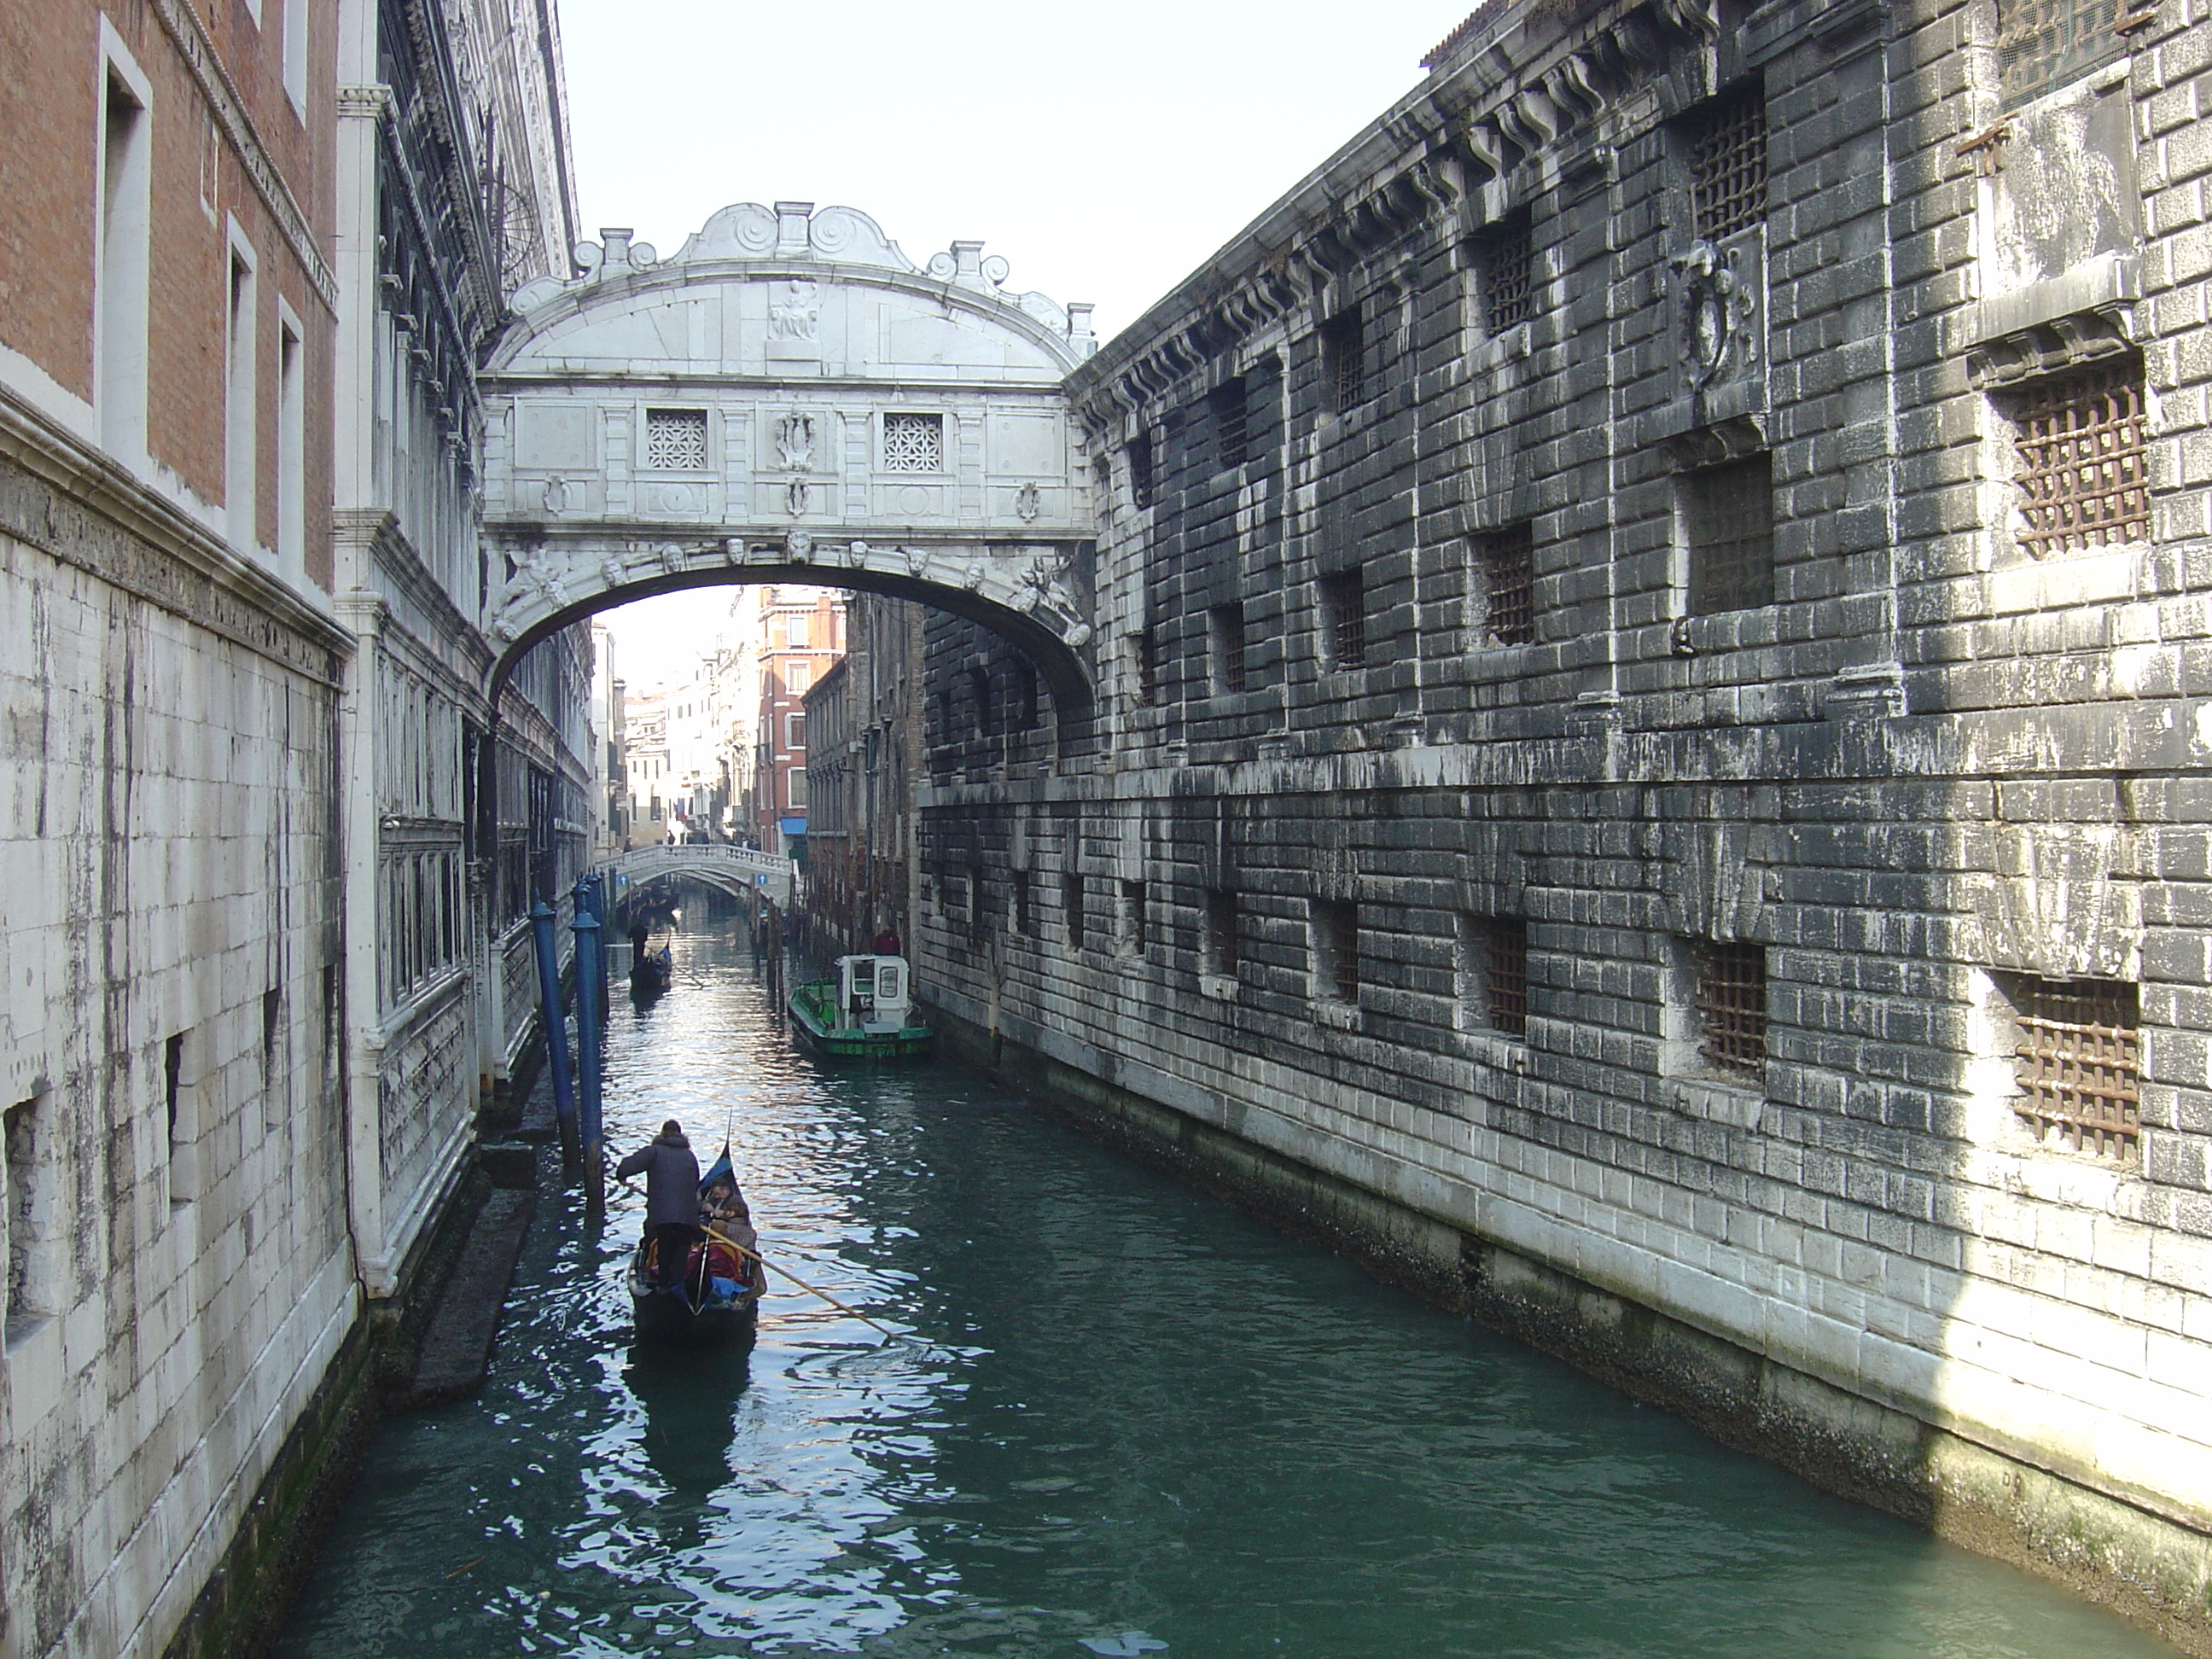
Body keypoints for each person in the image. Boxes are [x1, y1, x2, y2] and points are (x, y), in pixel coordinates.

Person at [618, 1120, 701, 1287]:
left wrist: (621, 1176)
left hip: (663, 1213)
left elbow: (628, 1166)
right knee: (680, 1251)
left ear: (662, 1133)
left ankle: (664, 1284)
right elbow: (695, 1185)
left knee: (665, 1248)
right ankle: (677, 1285)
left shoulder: (654, 1152)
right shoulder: (690, 1156)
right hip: (687, 1214)